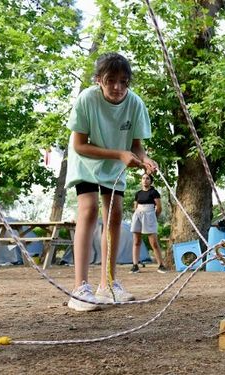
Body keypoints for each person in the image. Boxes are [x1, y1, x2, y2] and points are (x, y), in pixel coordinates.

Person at [65, 52, 157, 311]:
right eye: (111, 80)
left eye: (124, 81)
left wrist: (146, 159)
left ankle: (107, 283)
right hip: (86, 161)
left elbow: (136, 147)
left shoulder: (135, 104)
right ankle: (80, 288)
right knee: (89, 209)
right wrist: (119, 153)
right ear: (99, 80)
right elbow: (79, 145)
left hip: (115, 165)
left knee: (115, 214)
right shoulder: (87, 100)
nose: (117, 87)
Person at [130, 172, 166, 274]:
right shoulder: (138, 193)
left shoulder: (154, 192)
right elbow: (135, 206)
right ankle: (135, 265)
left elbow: (159, 208)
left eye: (147, 179)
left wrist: (154, 217)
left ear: (150, 181)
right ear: (141, 181)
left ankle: (161, 265)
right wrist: (136, 216)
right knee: (136, 241)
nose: (145, 180)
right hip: (138, 215)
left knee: (153, 242)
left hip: (149, 215)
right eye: (143, 178)